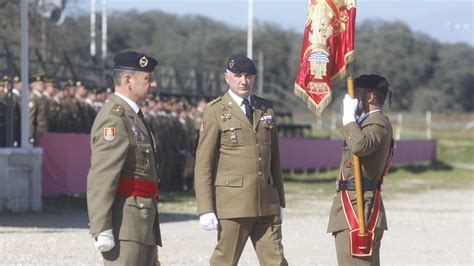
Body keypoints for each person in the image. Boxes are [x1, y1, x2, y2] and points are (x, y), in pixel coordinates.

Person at [194, 54, 287, 265]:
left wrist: (279, 199)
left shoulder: (265, 109)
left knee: (276, 261)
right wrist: (205, 208)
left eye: (248, 76)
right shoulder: (215, 110)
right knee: (225, 261)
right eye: (238, 75)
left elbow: (275, 160)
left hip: (266, 202)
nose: (244, 81)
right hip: (234, 204)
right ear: (227, 78)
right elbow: (203, 164)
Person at [87, 51, 162, 265]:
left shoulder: (132, 116)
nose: (153, 84)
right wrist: (102, 227)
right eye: (148, 78)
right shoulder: (115, 118)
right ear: (128, 80)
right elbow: (102, 176)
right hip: (125, 225)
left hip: (142, 220)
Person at [327, 74, 394, 266]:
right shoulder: (366, 123)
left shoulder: (377, 123)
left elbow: (360, 145)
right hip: (355, 202)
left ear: (370, 96)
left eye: (356, 95)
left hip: (360, 207)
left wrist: (348, 118)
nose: (352, 100)